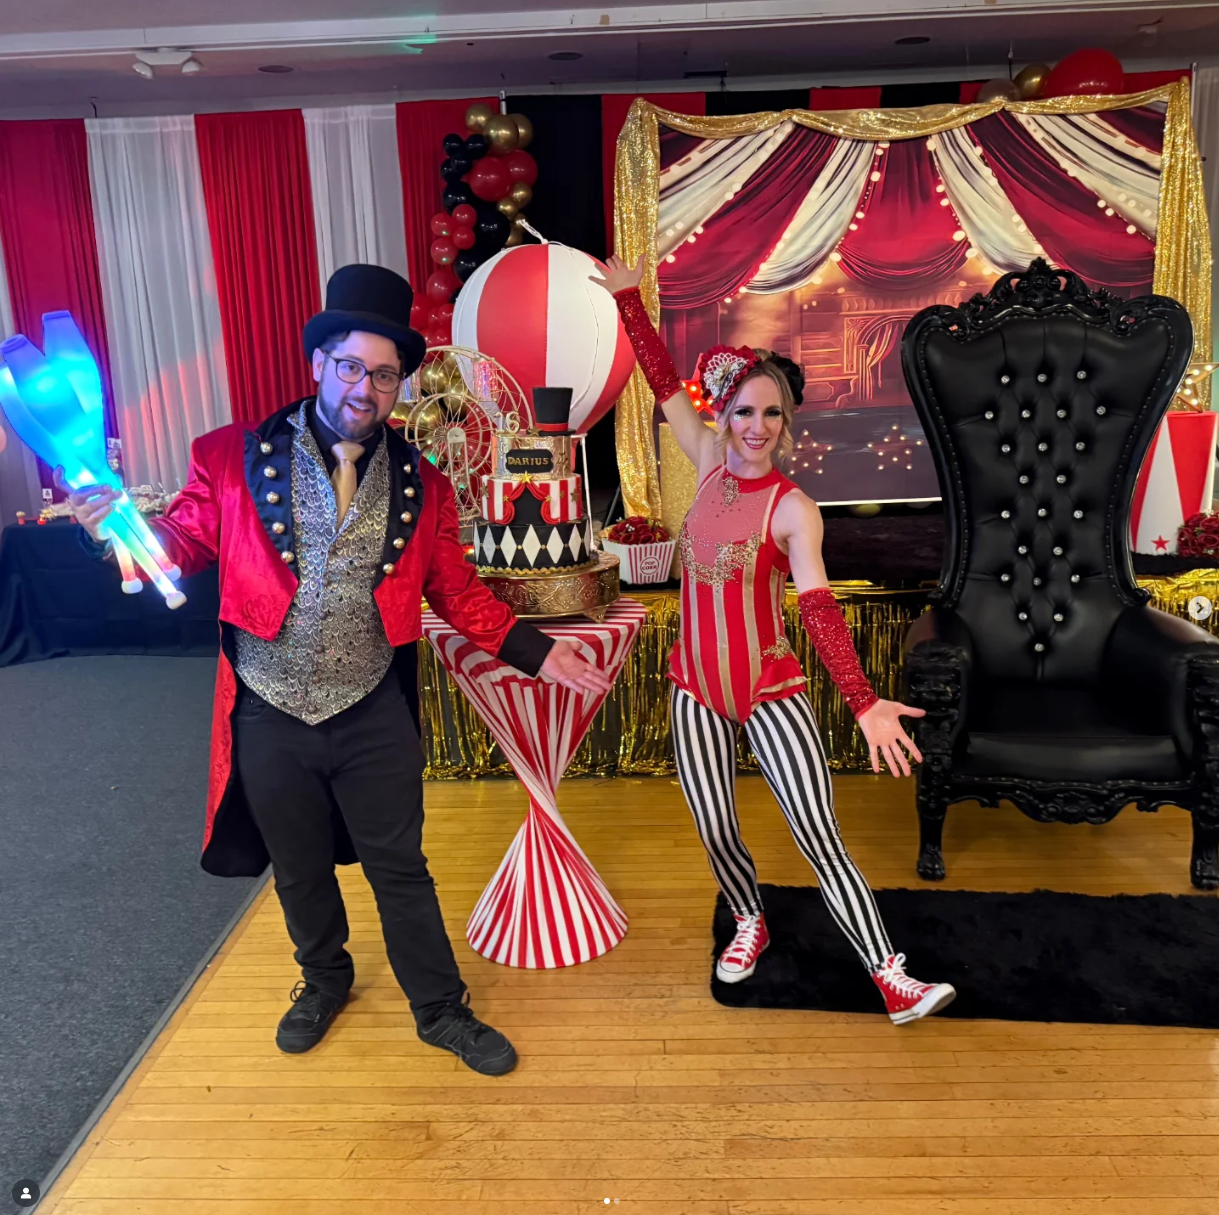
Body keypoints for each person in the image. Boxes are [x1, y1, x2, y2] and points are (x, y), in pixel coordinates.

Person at [64, 263, 611, 1073]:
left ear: (399, 385)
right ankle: (323, 979)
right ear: (318, 361)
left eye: (384, 373)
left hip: (369, 706)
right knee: (298, 866)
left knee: (402, 867)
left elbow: (457, 592)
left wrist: (538, 650)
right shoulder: (230, 458)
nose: (365, 386)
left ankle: (440, 1008)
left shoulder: (423, 485)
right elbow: (177, 545)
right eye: (350, 365)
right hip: (266, 705)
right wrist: (110, 529)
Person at [593, 255, 955, 1024]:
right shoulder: (703, 466)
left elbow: (819, 611)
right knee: (714, 822)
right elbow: (661, 384)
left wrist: (861, 702)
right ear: (721, 418)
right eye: (744, 413)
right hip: (694, 686)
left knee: (817, 831)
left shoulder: (793, 509)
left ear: (787, 424)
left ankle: (890, 974)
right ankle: (747, 914)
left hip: (767, 688)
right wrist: (629, 301)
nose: (756, 429)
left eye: (772, 415)